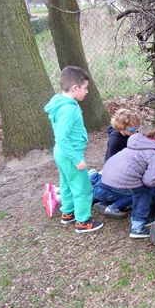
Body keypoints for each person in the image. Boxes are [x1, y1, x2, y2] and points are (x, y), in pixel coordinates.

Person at [93, 124, 155, 238]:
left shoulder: (140, 142)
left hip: (106, 177)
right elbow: (149, 181)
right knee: (145, 192)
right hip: (124, 181)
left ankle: (111, 205)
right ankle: (138, 227)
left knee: (135, 189)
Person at [44, 66, 103, 233]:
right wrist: (77, 159)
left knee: (66, 183)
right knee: (82, 186)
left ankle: (68, 212)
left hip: (61, 153)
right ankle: (83, 221)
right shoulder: (69, 109)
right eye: (85, 88)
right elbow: (62, 137)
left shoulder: (60, 103)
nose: (87, 91)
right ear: (75, 88)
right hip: (70, 154)